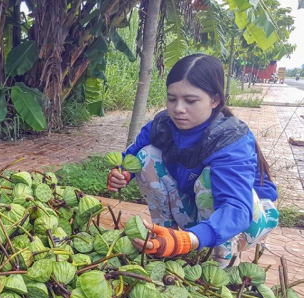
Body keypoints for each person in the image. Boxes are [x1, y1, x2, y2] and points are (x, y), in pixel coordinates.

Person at [108, 54, 279, 267]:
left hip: (245, 219)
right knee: (146, 156)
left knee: (207, 179)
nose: (178, 108)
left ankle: (221, 262)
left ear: (214, 99)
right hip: (200, 207)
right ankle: (165, 239)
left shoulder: (231, 138)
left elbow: (236, 208)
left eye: (190, 100)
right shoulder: (163, 124)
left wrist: (189, 239)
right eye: (172, 99)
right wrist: (123, 173)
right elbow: (132, 156)